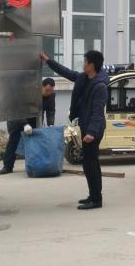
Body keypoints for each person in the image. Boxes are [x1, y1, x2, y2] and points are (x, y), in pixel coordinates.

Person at [40, 49, 108, 210]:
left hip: (94, 129)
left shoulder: (100, 86)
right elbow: (66, 72)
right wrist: (48, 61)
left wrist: (91, 132)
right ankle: (93, 195)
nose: (83, 64)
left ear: (91, 65)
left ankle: (96, 199)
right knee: (89, 163)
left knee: (91, 164)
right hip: (86, 125)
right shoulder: (84, 78)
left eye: (85, 62)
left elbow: (98, 112)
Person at [0, 78, 56, 175]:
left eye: (51, 91)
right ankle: (7, 166)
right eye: (47, 90)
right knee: (14, 141)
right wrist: (25, 124)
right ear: (41, 87)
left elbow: (51, 111)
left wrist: (51, 125)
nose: (49, 93)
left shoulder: (51, 95)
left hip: (34, 119)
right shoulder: (28, 93)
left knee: (36, 142)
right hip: (18, 117)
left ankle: (36, 164)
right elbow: (18, 109)